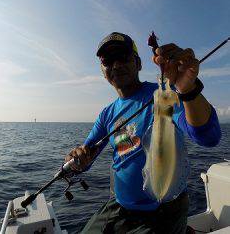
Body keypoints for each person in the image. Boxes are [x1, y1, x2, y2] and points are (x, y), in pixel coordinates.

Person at [65, 32, 221, 234]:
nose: (116, 65)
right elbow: (87, 153)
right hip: (120, 206)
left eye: (123, 57)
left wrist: (187, 89)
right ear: (103, 70)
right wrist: (76, 160)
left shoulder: (163, 95)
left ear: (138, 64)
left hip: (164, 209)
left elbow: (208, 137)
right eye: (108, 60)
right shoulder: (107, 114)